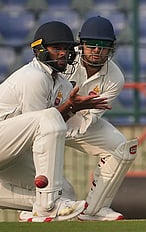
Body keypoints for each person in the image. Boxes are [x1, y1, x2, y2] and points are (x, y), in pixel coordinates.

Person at [0, 21, 110, 222]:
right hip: (5, 141)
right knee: (51, 196)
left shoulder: (60, 82)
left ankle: (40, 207)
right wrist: (68, 106)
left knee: (65, 193)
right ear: (40, 50)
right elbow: (42, 125)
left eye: (67, 49)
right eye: (56, 48)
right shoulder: (33, 77)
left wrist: (72, 107)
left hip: (10, 150)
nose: (63, 53)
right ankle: (46, 204)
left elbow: (52, 123)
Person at [63, 16, 137, 221]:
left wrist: (73, 110)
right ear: (82, 45)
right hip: (47, 123)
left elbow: (89, 119)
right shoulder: (65, 62)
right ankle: (38, 206)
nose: (97, 50)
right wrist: (68, 109)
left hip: (81, 123)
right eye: (92, 45)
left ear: (111, 49)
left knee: (121, 148)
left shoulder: (115, 77)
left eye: (103, 46)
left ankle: (94, 209)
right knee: (63, 192)